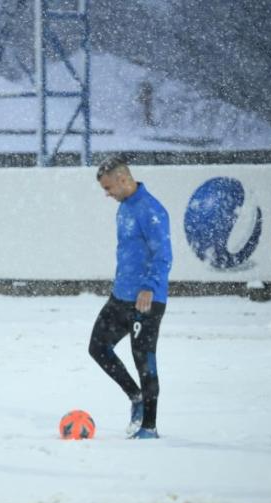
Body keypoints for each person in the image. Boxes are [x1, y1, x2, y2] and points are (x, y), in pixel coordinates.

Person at [88, 156, 172, 439]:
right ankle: (135, 397)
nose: (107, 194)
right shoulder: (124, 207)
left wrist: (149, 286)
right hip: (121, 296)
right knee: (98, 348)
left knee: (144, 360)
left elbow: (163, 255)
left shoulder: (151, 210)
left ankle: (149, 426)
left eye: (109, 188)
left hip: (146, 300)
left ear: (124, 180)